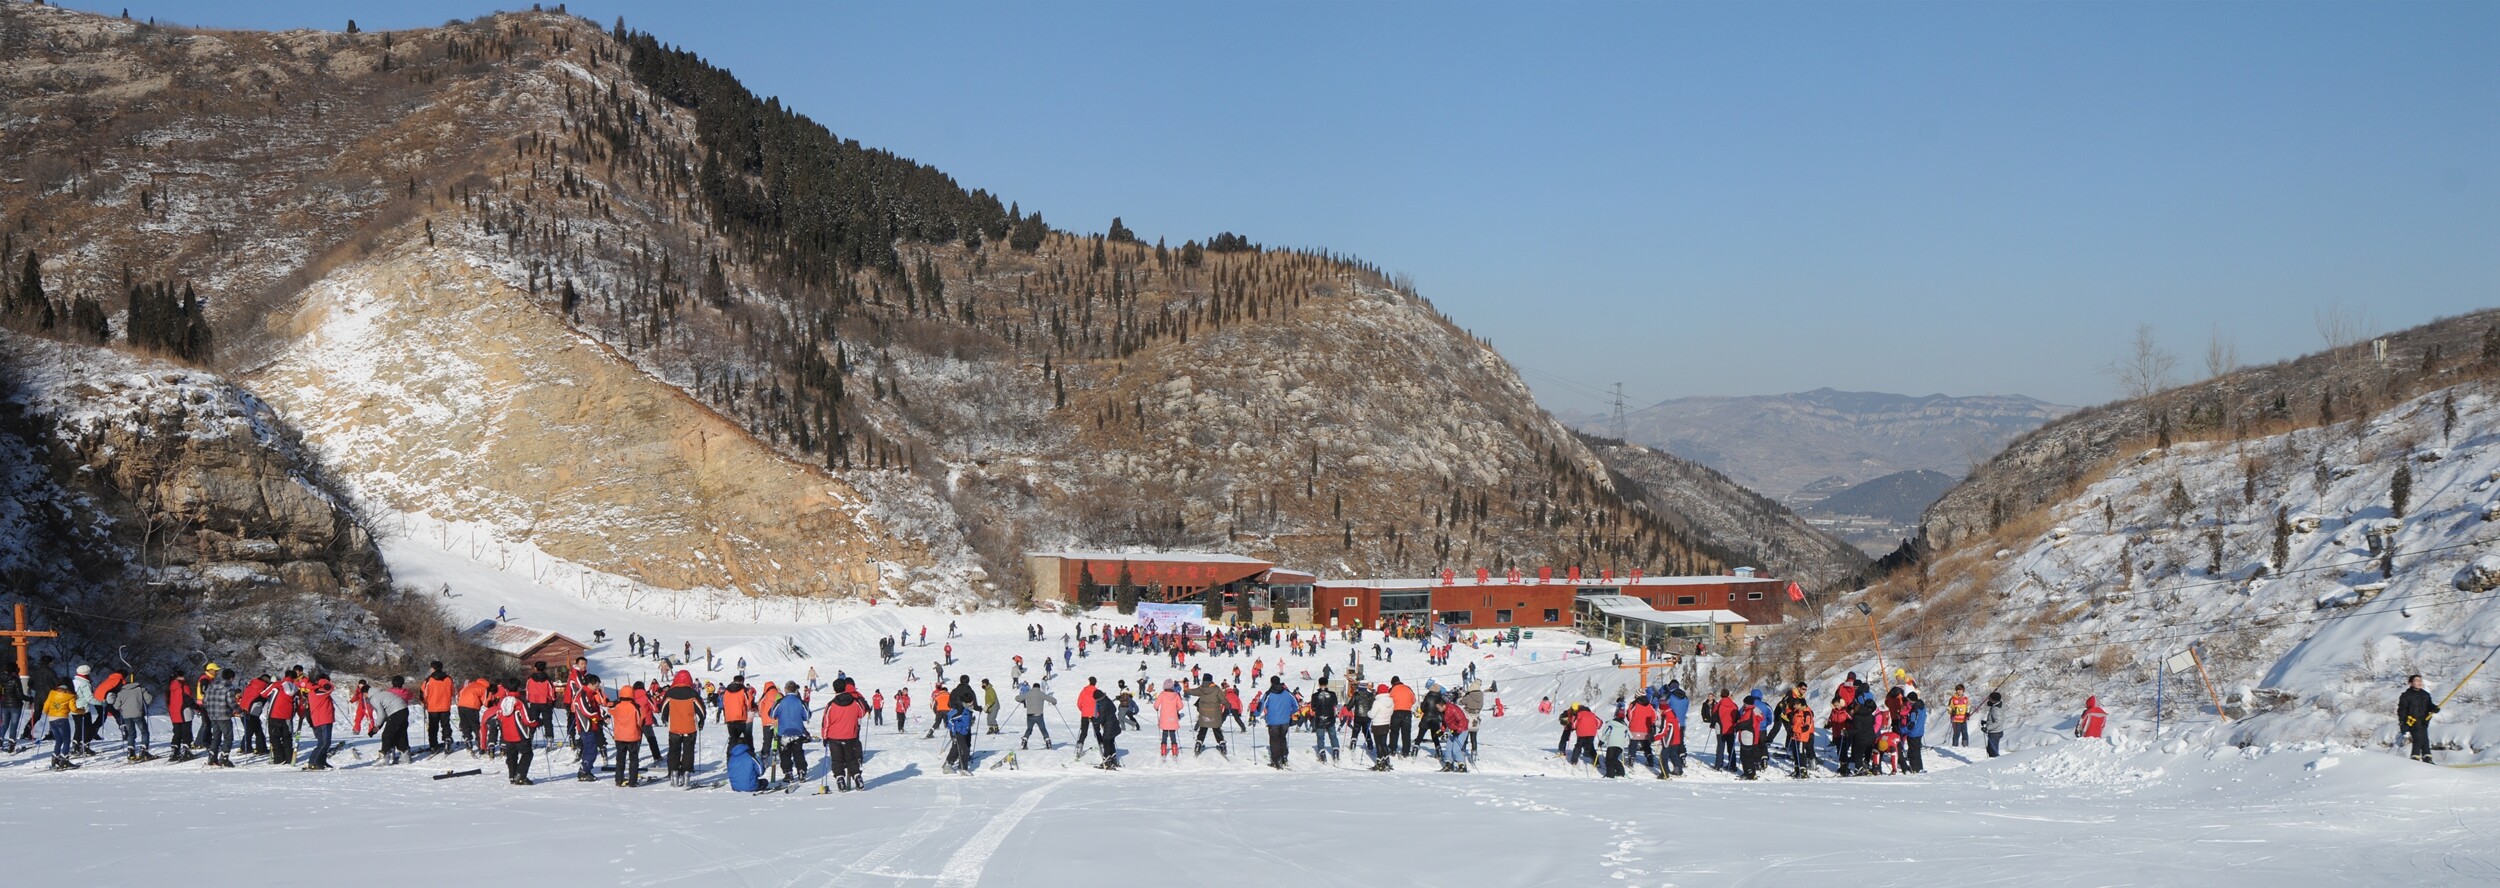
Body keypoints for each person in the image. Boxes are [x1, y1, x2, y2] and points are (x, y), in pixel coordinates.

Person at [820, 681, 870, 791]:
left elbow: (826, 722)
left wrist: (824, 737)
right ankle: (857, 777)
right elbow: (861, 713)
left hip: (834, 737)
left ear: (834, 689)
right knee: (851, 759)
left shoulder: (831, 705)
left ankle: (840, 779)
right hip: (851, 736)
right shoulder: (855, 702)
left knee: (837, 760)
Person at [489, 685, 539, 785]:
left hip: (506, 734)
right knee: (527, 753)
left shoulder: (502, 702)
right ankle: (520, 775)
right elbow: (527, 720)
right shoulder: (519, 701)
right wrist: (537, 722)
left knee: (511, 755)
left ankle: (512, 776)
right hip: (519, 733)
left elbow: (499, 716)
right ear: (518, 688)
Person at [663, 670, 705, 787]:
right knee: (688, 751)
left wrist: (666, 719)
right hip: (690, 728)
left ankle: (674, 774)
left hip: (674, 728)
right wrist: (701, 722)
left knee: (673, 751)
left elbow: (664, 709)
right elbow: (701, 710)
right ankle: (686, 774)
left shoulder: (670, 693)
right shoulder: (693, 694)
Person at [770, 681, 811, 784]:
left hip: (783, 731)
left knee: (785, 754)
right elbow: (807, 716)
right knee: (798, 753)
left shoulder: (780, 701)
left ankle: (788, 773)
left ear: (786, 689)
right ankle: (801, 771)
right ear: (796, 690)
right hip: (797, 731)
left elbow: (772, 714)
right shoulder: (800, 702)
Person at [571, 674, 609, 782]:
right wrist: (598, 718)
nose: (597, 688)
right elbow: (587, 711)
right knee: (591, 750)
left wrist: (603, 716)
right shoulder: (582, 694)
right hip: (586, 726)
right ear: (589, 684)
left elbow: (596, 707)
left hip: (592, 725)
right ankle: (584, 772)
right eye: (596, 686)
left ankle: (586, 770)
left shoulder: (590, 693)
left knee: (591, 749)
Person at [111, 673, 155, 761]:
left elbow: (116, 706)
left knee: (131, 733)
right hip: (138, 713)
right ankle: (144, 750)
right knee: (144, 732)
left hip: (126, 715)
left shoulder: (121, 692)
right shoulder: (140, 689)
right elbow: (149, 700)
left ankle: (130, 751)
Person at [609, 685, 645, 786]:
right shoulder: (635, 706)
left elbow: (609, 709)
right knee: (633, 759)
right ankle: (633, 781)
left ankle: (618, 779)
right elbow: (640, 721)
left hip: (619, 736)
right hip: (632, 736)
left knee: (620, 758)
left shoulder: (617, 706)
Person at [2398, 674, 2439, 764]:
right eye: (2416, 680)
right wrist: (2403, 722)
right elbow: (2402, 710)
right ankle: (2415, 758)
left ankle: (2427, 757)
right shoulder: (2406, 696)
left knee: (2424, 739)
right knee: (2418, 739)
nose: (2419, 682)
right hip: (2412, 721)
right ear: (2411, 683)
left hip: (2424, 721)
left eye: (2420, 680)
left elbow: (2429, 706)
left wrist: (2434, 708)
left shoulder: (2425, 694)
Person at [303, 673, 337, 770]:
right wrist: (323, 681)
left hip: (325, 718)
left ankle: (321, 761)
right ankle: (313, 762)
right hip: (322, 719)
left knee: (325, 742)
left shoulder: (317, 690)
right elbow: (330, 687)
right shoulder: (317, 691)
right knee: (323, 743)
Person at [1260, 678, 1295, 769]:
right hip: (1285, 721)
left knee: (1274, 740)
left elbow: (1261, 705)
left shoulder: (1269, 693)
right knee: (1282, 738)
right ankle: (1284, 757)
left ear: (1271, 682)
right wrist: (1289, 713)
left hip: (1273, 721)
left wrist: (1254, 714)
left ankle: (1276, 760)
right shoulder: (1287, 692)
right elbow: (1296, 705)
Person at [1189, 675, 1228, 755]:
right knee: (1217, 729)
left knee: (1203, 729)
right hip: (1214, 713)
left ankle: (1198, 744)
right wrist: (1228, 705)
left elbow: (1192, 691)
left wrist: (1186, 690)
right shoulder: (1216, 689)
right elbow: (1222, 699)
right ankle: (1222, 745)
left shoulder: (1201, 689)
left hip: (1204, 713)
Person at [1366, 683, 1397, 771]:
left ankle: (1380, 763)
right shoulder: (1391, 701)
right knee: (1384, 743)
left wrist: (1368, 713)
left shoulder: (1377, 702)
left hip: (1377, 725)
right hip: (1386, 724)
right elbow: (1391, 713)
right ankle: (1387, 762)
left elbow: (1372, 714)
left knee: (1378, 744)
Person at [1091, 683, 1122, 769]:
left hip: (1109, 726)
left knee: (1106, 742)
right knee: (1111, 741)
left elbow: (1101, 719)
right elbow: (1114, 709)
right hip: (1114, 723)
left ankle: (1107, 761)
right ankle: (1113, 759)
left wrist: (1094, 720)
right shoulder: (1107, 700)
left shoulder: (1101, 705)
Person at [1017, 681, 1056, 749]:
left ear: (1033, 687)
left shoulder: (1028, 693)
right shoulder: (1041, 694)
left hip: (1030, 715)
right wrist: (1054, 702)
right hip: (1039, 715)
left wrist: (1021, 700)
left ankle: (1024, 741)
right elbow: (1052, 699)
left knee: (1029, 729)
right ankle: (1048, 742)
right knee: (1043, 729)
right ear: (1039, 687)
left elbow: (1017, 698)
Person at [1308, 682, 1341, 762]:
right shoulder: (1332, 694)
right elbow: (1335, 703)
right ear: (1327, 685)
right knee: (1333, 736)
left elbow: (1313, 707)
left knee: (1320, 737)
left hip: (1319, 718)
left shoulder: (1315, 695)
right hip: (1330, 718)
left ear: (1319, 685)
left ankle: (1322, 753)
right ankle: (1336, 751)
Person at [1439, 695, 1471, 772]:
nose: (1438, 709)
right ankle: (1449, 764)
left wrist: (1458, 731)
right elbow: (1445, 721)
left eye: (1438, 708)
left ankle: (1462, 765)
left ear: (1443, 705)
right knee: (1448, 748)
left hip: (1462, 730)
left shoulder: (1453, 709)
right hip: (1454, 730)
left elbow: (1463, 720)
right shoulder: (1444, 711)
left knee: (1456, 749)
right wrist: (1442, 730)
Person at [1900, 691, 1928, 773]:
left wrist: (1902, 730)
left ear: (1911, 700)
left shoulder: (1914, 710)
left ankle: (1916, 769)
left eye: (1908, 700)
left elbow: (1911, 724)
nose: (1908, 701)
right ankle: (1919, 767)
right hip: (1920, 731)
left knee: (1913, 752)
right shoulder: (1922, 706)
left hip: (1913, 733)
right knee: (1917, 751)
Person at [1598, 714, 1631, 778]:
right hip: (1620, 745)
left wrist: (1602, 741)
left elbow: (1605, 732)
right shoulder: (1624, 726)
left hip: (1612, 743)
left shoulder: (1610, 723)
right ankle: (1620, 772)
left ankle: (1610, 775)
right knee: (1614, 759)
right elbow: (1630, 735)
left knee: (1609, 759)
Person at [1980, 691, 2005, 758]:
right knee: (1990, 749)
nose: (1988, 700)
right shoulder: (1999, 705)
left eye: (1990, 699)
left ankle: (1997, 764)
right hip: (1996, 732)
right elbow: (1997, 719)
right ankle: (1992, 764)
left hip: (1995, 733)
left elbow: (1998, 722)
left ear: (1994, 700)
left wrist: (1987, 728)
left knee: (1993, 751)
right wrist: (1986, 722)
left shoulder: (1995, 709)